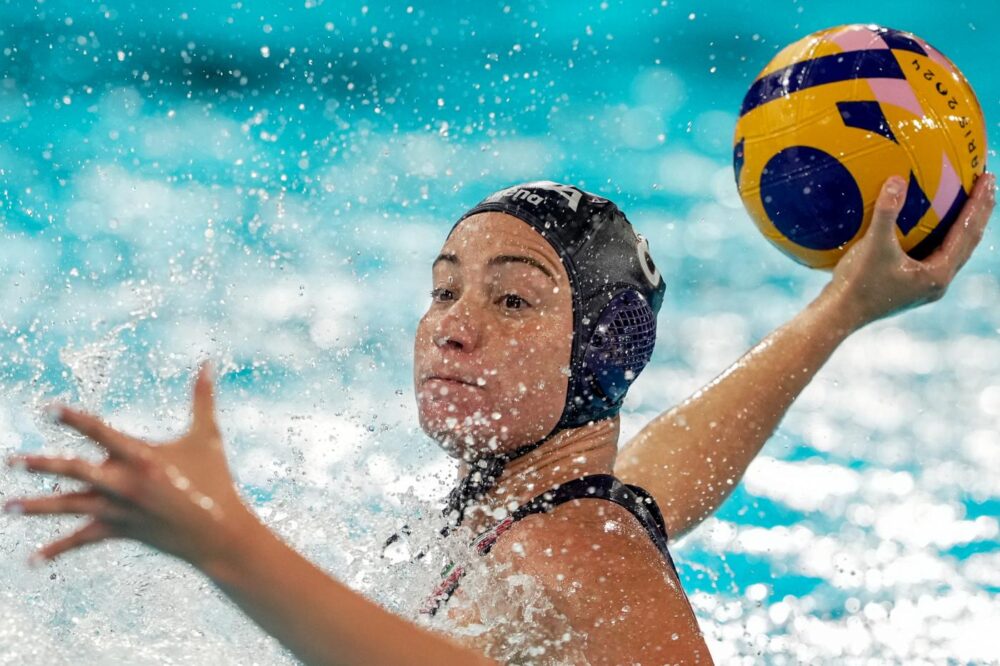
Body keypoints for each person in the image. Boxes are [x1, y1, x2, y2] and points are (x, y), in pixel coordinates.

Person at [3, 172, 994, 665]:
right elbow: (658, 470)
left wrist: (225, 543)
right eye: (443, 292)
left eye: (511, 300)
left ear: (597, 354)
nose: (454, 330)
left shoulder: (584, 555)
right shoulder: (569, 512)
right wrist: (843, 308)